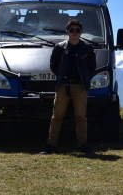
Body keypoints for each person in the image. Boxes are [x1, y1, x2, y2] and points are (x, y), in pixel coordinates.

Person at [41, 19, 96, 155]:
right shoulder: (59, 47)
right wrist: (62, 77)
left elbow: (92, 67)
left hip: (80, 86)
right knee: (57, 115)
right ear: (67, 32)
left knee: (81, 116)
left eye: (77, 30)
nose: (74, 33)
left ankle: (82, 145)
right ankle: (51, 145)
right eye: (72, 30)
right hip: (63, 85)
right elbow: (53, 66)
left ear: (81, 32)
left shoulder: (87, 48)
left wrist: (84, 78)